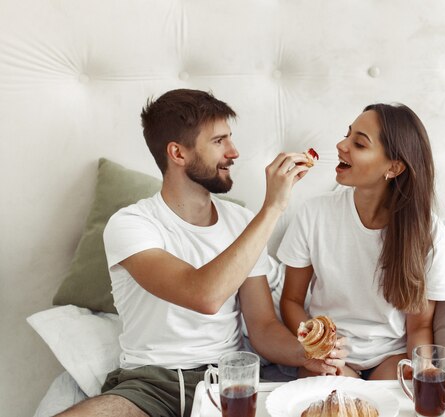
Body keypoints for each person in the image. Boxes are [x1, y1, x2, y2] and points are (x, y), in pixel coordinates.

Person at [56, 89, 345, 417]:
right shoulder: (131, 224)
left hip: (230, 383)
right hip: (150, 385)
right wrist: (273, 207)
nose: (234, 152)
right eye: (219, 141)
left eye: (230, 139)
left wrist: (307, 354)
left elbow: (262, 327)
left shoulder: (242, 223)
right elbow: (203, 295)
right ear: (178, 153)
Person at [278, 103, 445, 380]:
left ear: (393, 168)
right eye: (347, 135)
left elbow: (419, 327)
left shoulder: (428, 231)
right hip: (330, 356)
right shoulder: (314, 213)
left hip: (392, 358)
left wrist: (424, 368)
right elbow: (291, 300)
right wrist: (318, 344)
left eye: (358, 144)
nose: (340, 145)